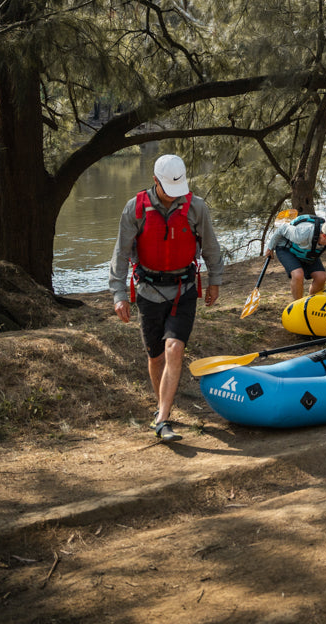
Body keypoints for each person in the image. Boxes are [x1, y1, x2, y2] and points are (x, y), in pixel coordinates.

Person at [109, 154, 224, 443]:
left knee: (174, 348)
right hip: (148, 291)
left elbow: (211, 247)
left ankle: (162, 417)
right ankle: (162, 403)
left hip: (183, 289)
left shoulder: (196, 207)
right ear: (155, 179)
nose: (174, 197)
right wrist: (119, 294)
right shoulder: (135, 209)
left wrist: (215, 281)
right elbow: (121, 254)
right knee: (156, 355)